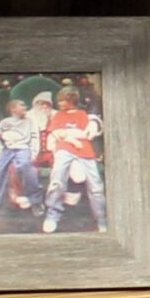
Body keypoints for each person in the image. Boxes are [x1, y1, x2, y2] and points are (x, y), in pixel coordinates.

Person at [40, 83, 106, 234]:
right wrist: (74, 137)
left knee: (95, 186)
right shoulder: (57, 115)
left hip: (85, 152)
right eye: (59, 100)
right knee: (57, 180)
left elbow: (87, 134)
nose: (59, 103)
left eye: (62, 100)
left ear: (71, 100)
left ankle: (101, 219)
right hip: (65, 150)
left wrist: (71, 134)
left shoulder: (83, 115)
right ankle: (52, 215)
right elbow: (58, 134)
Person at [0, 88, 45, 224]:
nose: (25, 107)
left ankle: (35, 201)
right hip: (8, 150)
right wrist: (0, 148)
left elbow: (35, 137)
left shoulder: (30, 122)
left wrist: (34, 152)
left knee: (26, 167)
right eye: (22, 105)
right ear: (13, 109)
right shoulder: (5, 123)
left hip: (23, 149)